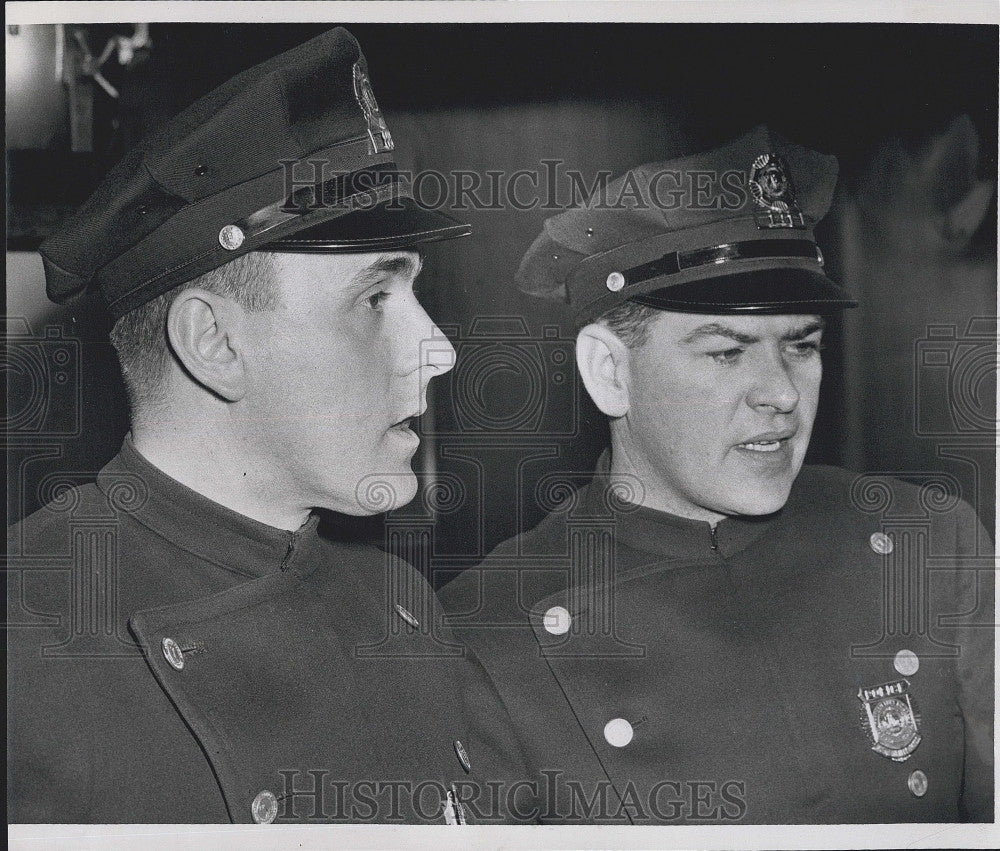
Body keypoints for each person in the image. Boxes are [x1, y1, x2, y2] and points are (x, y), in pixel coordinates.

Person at [7, 28, 533, 824]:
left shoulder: (400, 600)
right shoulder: (27, 637)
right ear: (215, 344)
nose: (442, 350)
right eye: (376, 300)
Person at [439, 125, 994, 824]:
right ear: (610, 373)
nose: (781, 392)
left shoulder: (931, 547)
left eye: (801, 344)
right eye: (727, 353)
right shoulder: (486, 637)